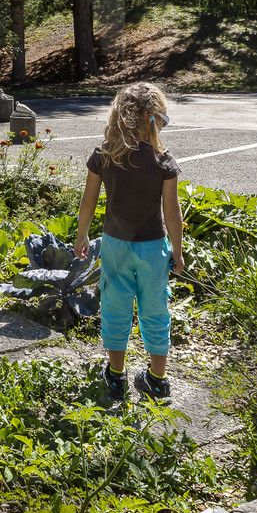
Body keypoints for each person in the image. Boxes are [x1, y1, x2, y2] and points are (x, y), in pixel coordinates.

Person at [74, 82, 187, 403]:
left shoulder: (104, 156)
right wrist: (177, 251)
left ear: (117, 117)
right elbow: (173, 212)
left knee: (115, 306)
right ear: (156, 119)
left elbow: (88, 201)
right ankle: (158, 379)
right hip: (154, 248)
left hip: (115, 245)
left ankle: (115, 376)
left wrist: (81, 235)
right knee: (155, 309)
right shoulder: (163, 161)